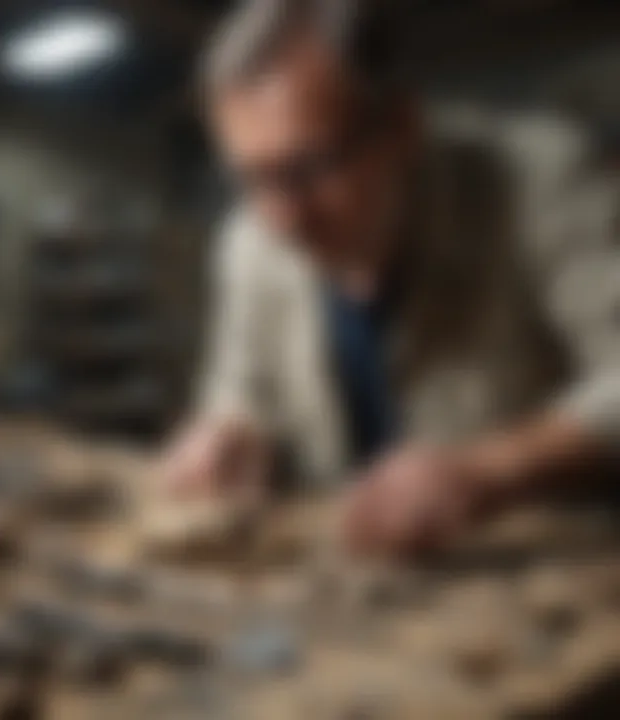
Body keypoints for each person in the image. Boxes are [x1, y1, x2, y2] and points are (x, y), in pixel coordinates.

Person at [164, 0, 620, 555]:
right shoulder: (248, 243)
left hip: (545, 571)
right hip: (356, 595)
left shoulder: (543, 182)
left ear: (402, 127)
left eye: (307, 169)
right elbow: (238, 396)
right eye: (250, 178)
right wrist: (231, 438)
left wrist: (491, 469)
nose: (284, 219)